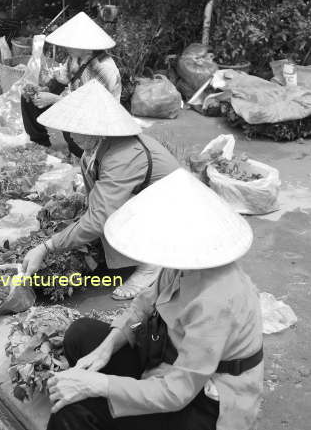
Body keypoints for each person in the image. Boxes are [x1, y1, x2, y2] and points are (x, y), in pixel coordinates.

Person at [46, 168, 264, 430]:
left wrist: (99, 385)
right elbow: (142, 306)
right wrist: (105, 350)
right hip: (165, 361)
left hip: (203, 401)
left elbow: (178, 392)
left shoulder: (218, 299)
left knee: (74, 413)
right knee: (81, 335)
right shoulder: (181, 263)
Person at [22, 79, 180, 300]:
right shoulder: (95, 148)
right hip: (146, 201)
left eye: (76, 130)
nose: (70, 135)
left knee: (104, 218)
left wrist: (46, 247)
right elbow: (95, 195)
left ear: (97, 129)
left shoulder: (123, 155)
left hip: (174, 211)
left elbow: (98, 218)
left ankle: (152, 264)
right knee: (100, 214)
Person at [20, 12, 121, 157]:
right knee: (28, 98)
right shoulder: (75, 58)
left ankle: (82, 154)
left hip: (98, 121)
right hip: (77, 106)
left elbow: (97, 109)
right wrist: (43, 90)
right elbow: (61, 80)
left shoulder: (104, 68)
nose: (65, 46)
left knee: (68, 113)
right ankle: (40, 143)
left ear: (86, 45)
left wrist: (55, 99)